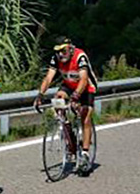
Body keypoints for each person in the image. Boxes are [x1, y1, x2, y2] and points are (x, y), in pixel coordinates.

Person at [33, 36, 98, 172]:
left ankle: (85, 154)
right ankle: (70, 138)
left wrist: (75, 97)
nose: (61, 54)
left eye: (63, 50)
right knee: (58, 99)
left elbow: (84, 79)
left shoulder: (80, 56)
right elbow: (48, 77)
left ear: (70, 47)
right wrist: (40, 95)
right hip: (68, 85)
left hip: (85, 87)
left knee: (85, 115)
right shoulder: (56, 58)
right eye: (58, 51)